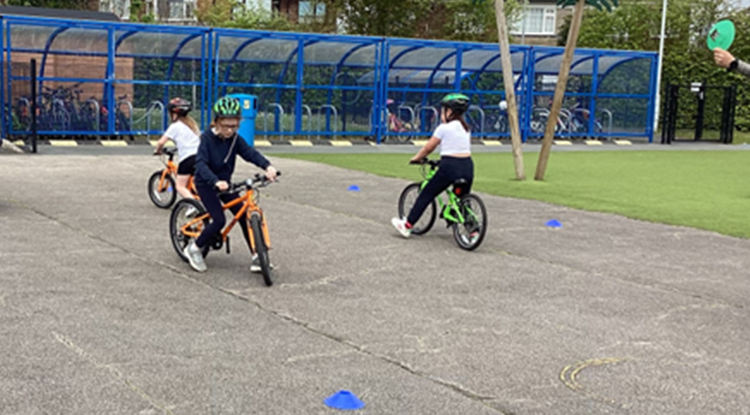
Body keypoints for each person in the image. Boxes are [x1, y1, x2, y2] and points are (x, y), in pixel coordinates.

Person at [183, 96, 278, 273]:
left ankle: (257, 256)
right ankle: (194, 248)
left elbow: (250, 153)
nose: (229, 130)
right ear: (216, 122)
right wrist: (215, 181)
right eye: (225, 125)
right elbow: (201, 164)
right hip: (206, 183)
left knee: (243, 215)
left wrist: (268, 166)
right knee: (218, 219)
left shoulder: (235, 139)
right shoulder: (207, 139)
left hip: (225, 184)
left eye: (234, 126)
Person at [391, 93, 474, 238]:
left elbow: (429, 148)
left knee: (427, 194)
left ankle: (407, 225)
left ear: (449, 112)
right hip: (467, 166)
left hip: (450, 167)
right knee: (462, 200)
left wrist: (416, 158)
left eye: (443, 110)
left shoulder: (443, 128)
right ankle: (473, 230)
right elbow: (456, 149)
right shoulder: (466, 128)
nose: (441, 114)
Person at [153, 97, 201, 200]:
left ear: (173, 114)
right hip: (201, 155)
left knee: (180, 186)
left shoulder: (175, 126)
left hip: (188, 157)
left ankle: (192, 205)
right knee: (194, 180)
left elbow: (161, 142)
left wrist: (158, 150)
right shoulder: (192, 125)